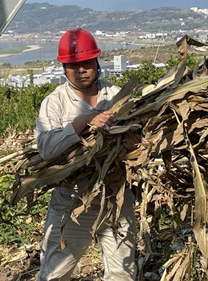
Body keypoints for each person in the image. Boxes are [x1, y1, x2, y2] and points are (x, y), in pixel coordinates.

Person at [35, 28, 137, 281]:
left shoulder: (117, 96)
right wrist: (82, 122)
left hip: (116, 197)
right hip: (71, 201)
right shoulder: (55, 102)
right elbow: (46, 148)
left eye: (86, 63)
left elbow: (141, 140)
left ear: (96, 63)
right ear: (64, 68)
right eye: (73, 65)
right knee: (55, 273)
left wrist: (135, 144)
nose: (81, 70)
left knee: (122, 273)